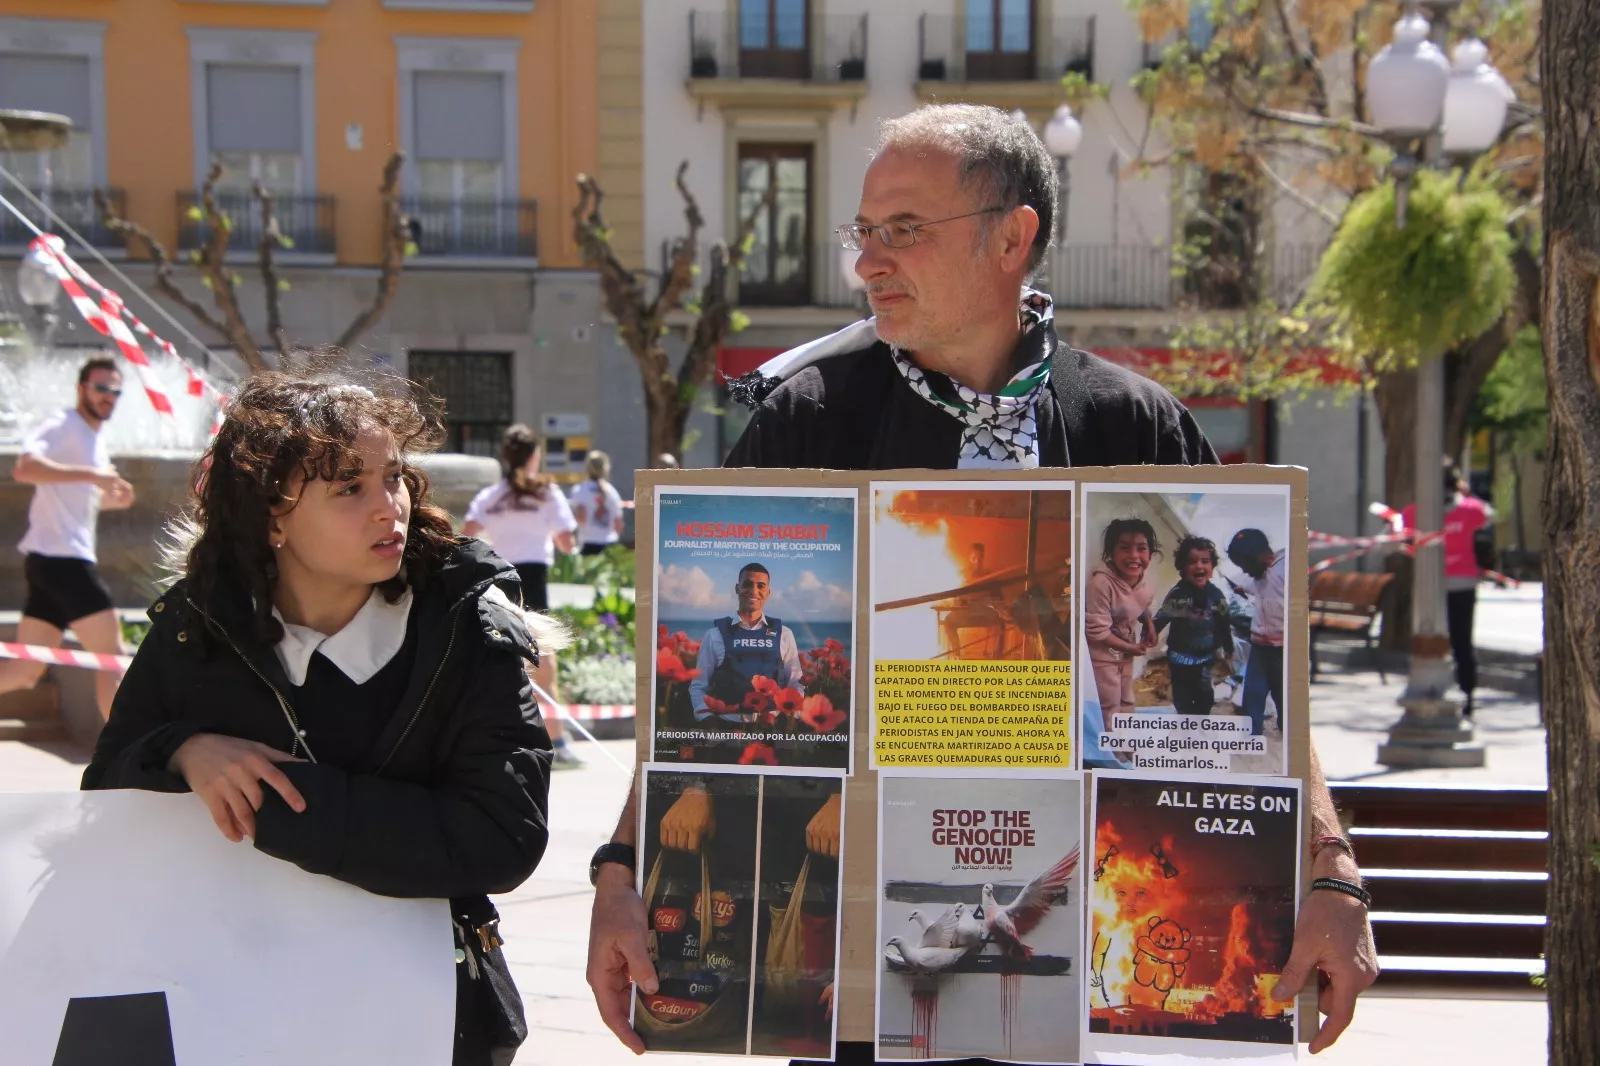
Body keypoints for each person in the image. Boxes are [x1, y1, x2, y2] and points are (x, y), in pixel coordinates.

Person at [587, 104, 1377, 1063]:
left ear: (1014, 237)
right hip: (862, 962)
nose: (870, 262)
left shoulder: (1134, 425)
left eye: (905, 231)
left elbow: (1268, 707)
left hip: (1086, 947)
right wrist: (622, 872)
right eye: (863, 233)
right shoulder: (811, 422)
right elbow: (698, 726)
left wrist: (1333, 879)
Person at [81, 365, 565, 1065]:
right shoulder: (198, 625)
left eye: (393, 477)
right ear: (272, 514)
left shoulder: (466, 626)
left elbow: (502, 835)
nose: (388, 507)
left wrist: (278, 804)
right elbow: (106, 793)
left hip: (428, 1013)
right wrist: (183, 750)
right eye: (350, 489)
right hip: (235, 1004)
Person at [0, 356, 136, 719]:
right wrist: (94, 475)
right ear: (82, 389)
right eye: (101, 387)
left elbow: (74, 500)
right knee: (112, 657)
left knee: (25, 671)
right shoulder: (63, 424)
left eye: (116, 390)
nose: (109, 396)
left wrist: (109, 499)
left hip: (50, 562)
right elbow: (25, 468)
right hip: (64, 562)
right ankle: (122, 757)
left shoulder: (94, 437)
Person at [463, 425, 583, 768]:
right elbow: (566, 543)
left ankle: (508, 739)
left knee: (505, 659)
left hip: (502, 581)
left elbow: (466, 534)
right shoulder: (547, 493)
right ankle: (558, 741)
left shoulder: (492, 496)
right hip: (534, 580)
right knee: (545, 663)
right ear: (534, 457)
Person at [1402, 462, 1492, 716]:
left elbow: (1394, 537)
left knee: (1430, 640)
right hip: (1462, 582)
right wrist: (1465, 493)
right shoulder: (1469, 508)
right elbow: (1487, 515)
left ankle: (1432, 689)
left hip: (1430, 586)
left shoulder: (1417, 512)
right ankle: (1468, 696)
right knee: (1463, 642)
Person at [687, 562, 803, 720]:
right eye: (747, 584)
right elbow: (699, 685)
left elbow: (795, 683)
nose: (754, 591)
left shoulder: (784, 634)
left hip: (772, 726)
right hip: (726, 726)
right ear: (737, 588)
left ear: (768, 592)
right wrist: (706, 719)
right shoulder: (714, 635)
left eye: (761, 586)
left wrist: (791, 719)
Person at [1084, 518, 1161, 731]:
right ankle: (1114, 750)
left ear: (1150, 554)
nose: (1134, 556)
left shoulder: (1144, 580)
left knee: (1127, 699)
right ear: (1112, 552)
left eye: (1141, 549)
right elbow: (1096, 632)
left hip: (1125, 654)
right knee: (1109, 705)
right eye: (1125, 548)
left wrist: (1149, 626)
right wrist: (1132, 648)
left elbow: (1142, 604)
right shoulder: (1101, 584)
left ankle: (1127, 741)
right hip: (1103, 657)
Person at [1154, 535, 1234, 715]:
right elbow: (1161, 619)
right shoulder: (1178, 595)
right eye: (1192, 562)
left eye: (1205, 561)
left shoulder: (1216, 595)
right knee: (1182, 697)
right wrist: (1148, 636)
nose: (1199, 566)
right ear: (1182, 568)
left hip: (1206, 658)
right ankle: (1186, 729)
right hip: (1179, 658)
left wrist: (1228, 647)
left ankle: (1201, 724)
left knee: (1204, 694)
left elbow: (1223, 622)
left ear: (1212, 567)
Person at [1228, 527, 1287, 736]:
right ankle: (1252, 733)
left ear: (1260, 556)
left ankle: (1287, 731)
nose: (1244, 571)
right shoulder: (1258, 575)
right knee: (1253, 692)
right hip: (1260, 648)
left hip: (1282, 649)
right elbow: (1253, 584)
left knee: (1282, 693)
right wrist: (1240, 588)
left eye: (1245, 565)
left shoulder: (1285, 570)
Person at [569, 450, 626, 556]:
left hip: (588, 544)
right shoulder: (612, 492)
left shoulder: (580, 491)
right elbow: (618, 525)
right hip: (609, 544)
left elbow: (581, 518)